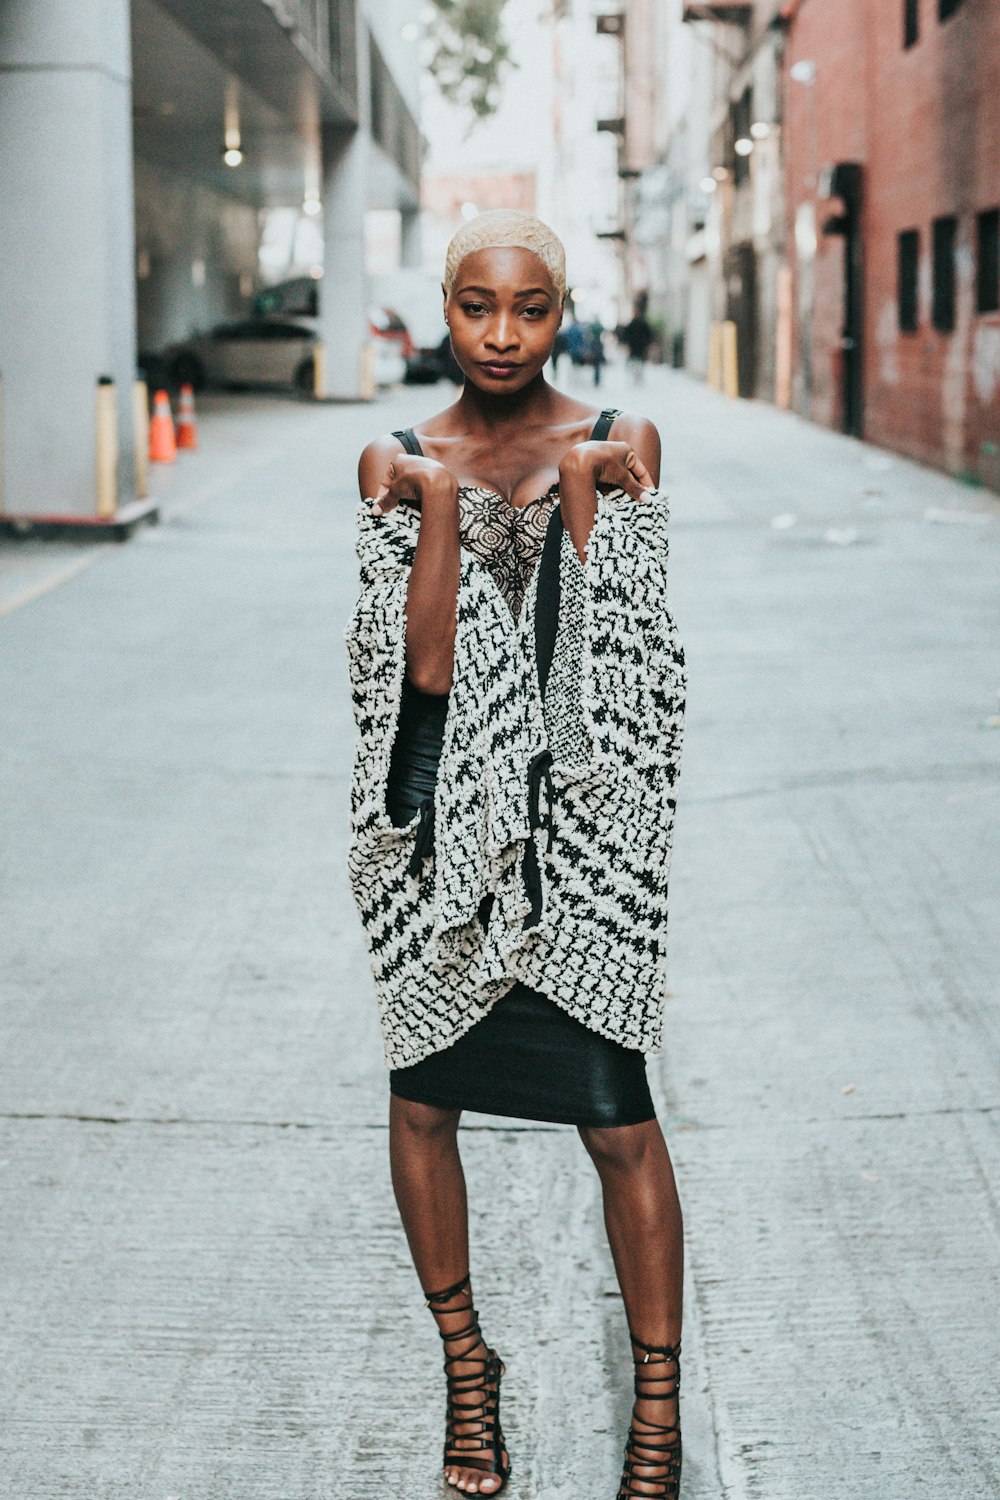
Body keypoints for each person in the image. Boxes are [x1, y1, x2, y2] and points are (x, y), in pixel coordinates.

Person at [349, 209, 686, 1499]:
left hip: (585, 841)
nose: (503, 335)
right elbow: (417, 677)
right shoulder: (395, 457)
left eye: (531, 308)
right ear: (447, 308)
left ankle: (653, 1420)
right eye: (479, 307)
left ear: (561, 311)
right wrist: (439, 504)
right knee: (424, 1102)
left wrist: (587, 509)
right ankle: (466, 1381)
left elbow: (618, 674)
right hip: (439, 845)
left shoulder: (620, 441)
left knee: (619, 1126)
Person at [621, 297, 654, 384]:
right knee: (637, 361)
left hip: (638, 345)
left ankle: (638, 376)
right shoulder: (636, 323)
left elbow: (648, 334)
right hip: (637, 345)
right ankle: (637, 376)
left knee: (638, 361)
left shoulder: (638, 323)